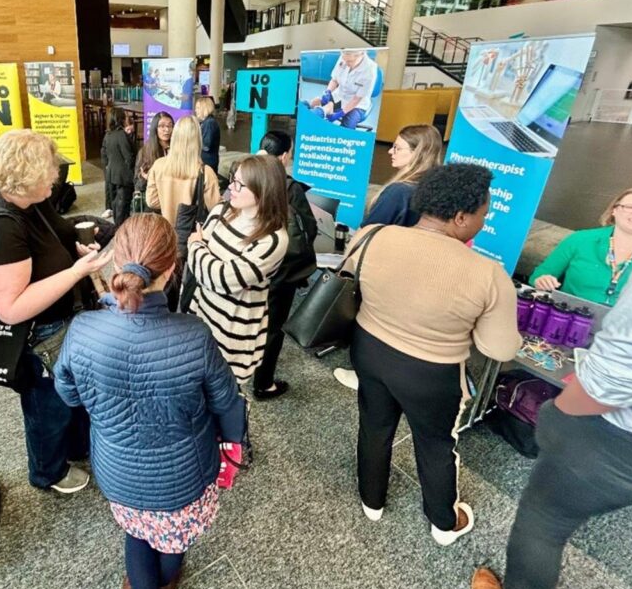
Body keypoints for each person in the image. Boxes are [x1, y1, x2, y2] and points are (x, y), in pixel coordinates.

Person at [54, 214, 247, 589]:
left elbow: (68, 393)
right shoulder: (193, 334)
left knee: (137, 533)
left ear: (115, 261)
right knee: (173, 540)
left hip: (117, 470)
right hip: (185, 475)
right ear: (172, 268)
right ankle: (164, 587)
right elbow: (227, 403)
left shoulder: (82, 329)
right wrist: (233, 444)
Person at [472, 254, 632, 589]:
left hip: (624, 438)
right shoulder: (586, 246)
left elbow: (606, 388)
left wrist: (557, 413)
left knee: (543, 523)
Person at [345, 163, 520, 544]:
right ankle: (444, 522)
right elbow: (499, 347)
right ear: (460, 217)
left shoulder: (373, 235)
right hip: (432, 374)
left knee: (374, 425)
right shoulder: (488, 274)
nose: (483, 222)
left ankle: (371, 500)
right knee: (436, 444)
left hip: (368, 349)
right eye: (483, 214)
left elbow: (354, 276)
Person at [0, 130, 107, 495]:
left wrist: (75, 249)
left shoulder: (30, 199)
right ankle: (48, 471)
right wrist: (76, 272)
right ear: (25, 176)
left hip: (60, 322)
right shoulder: (0, 225)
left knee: (68, 395)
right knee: (48, 406)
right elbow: (10, 309)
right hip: (39, 335)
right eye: (49, 170)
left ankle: (75, 447)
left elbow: (52, 236)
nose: (56, 175)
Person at [333, 124, 444, 392]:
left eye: (397, 148)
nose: (390, 152)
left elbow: (369, 231)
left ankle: (364, 375)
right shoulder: (438, 188)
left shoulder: (399, 192)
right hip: (418, 271)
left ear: (417, 153)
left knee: (371, 323)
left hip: (386, 268)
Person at [186, 154, 289, 381]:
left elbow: (221, 279)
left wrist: (196, 246)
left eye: (240, 184)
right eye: (233, 179)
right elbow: (202, 270)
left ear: (263, 190)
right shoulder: (222, 210)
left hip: (233, 331)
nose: (231, 187)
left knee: (225, 391)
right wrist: (206, 260)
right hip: (202, 313)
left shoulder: (273, 239)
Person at [251, 131, 317, 400]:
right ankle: (263, 383)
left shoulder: (246, 176)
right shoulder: (289, 188)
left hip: (247, 265)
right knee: (271, 327)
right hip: (279, 271)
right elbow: (308, 229)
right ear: (284, 156)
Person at [530, 187, 632, 306]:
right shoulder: (580, 239)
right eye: (631, 207)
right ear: (614, 210)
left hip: (630, 325)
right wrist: (542, 280)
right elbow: (538, 275)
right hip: (570, 317)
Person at [145, 116, 219, 227]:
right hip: (192, 233)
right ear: (198, 140)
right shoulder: (206, 172)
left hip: (166, 230)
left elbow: (151, 201)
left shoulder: (158, 165)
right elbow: (215, 208)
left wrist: (168, 205)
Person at [305, 49, 379, 128]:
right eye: (344, 60)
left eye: (350, 61)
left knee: (348, 125)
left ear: (361, 55)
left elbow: (357, 98)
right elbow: (334, 80)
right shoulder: (345, 57)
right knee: (314, 103)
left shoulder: (370, 70)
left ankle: (327, 109)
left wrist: (341, 113)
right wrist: (328, 91)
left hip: (358, 104)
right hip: (339, 96)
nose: (346, 63)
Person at [100, 108, 136, 227]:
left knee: (116, 204)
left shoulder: (108, 134)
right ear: (121, 119)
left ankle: (118, 227)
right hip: (124, 176)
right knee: (123, 206)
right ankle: (122, 229)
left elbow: (104, 153)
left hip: (111, 174)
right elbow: (129, 157)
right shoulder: (122, 135)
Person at [134, 112, 173, 210]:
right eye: (162, 126)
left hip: (172, 199)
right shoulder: (146, 151)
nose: (167, 130)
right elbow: (137, 183)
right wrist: (149, 178)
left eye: (170, 126)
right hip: (153, 204)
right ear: (155, 128)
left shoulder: (176, 149)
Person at [195, 95, 220, 175]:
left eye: (198, 108)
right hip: (208, 161)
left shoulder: (209, 123)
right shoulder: (207, 122)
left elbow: (206, 146)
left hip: (207, 162)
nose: (196, 110)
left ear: (204, 108)